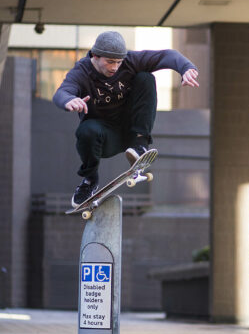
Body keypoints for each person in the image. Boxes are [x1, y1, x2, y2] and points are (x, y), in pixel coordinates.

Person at [53, 31, 199, 207]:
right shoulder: (81, 72)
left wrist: (186, 68)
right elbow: (62, 92)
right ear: (95, 56)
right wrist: (68, 100)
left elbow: (167, 55)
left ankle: (140, 145)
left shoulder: (131, 60)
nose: (115, 67)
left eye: (118, 62)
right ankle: (89, 180)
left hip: (132, 130)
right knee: (86, 130)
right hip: (105, 138)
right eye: (110, 62)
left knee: (146, 78)